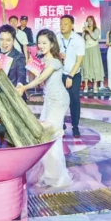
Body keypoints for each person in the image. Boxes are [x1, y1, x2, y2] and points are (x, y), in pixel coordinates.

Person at [16, 29, 72, 190]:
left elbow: (41, 78)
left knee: (52, 136)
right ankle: (49, 174)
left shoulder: (55, 61)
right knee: (45, 136)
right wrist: (31, 66)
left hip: (59, 100)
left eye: (44, 43)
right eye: (39, 43)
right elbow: (36, 78)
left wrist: (24, 87)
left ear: (52, 44)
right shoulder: (41, 59)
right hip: (49, 100)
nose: (40, 46)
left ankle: (57, 177)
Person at [55, 15, 85, 138]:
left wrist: (71, 77)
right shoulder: (56, 38)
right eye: (61, 24)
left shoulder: (78, 40)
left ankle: (75, 126)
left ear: (72, 26)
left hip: (74, 74)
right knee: (59, 100)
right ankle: (60, 123)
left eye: (65, 24)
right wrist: (58, 55)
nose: (62, 26)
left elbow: (79, 61)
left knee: (74, 100)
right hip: (59, 73)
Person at [81, 16, 104, 95]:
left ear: (93, 21)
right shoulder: (85, 31)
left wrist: (88, 30)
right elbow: (82, 41)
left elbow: (94, 37)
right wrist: (84, 31)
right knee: (86, 66)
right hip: (86, 50)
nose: (89, 22)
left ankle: (95, 85)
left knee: (95, 66)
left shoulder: (96, 30)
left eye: (91, 20)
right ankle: (86, 85)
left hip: (94, 50)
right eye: (88, 21)